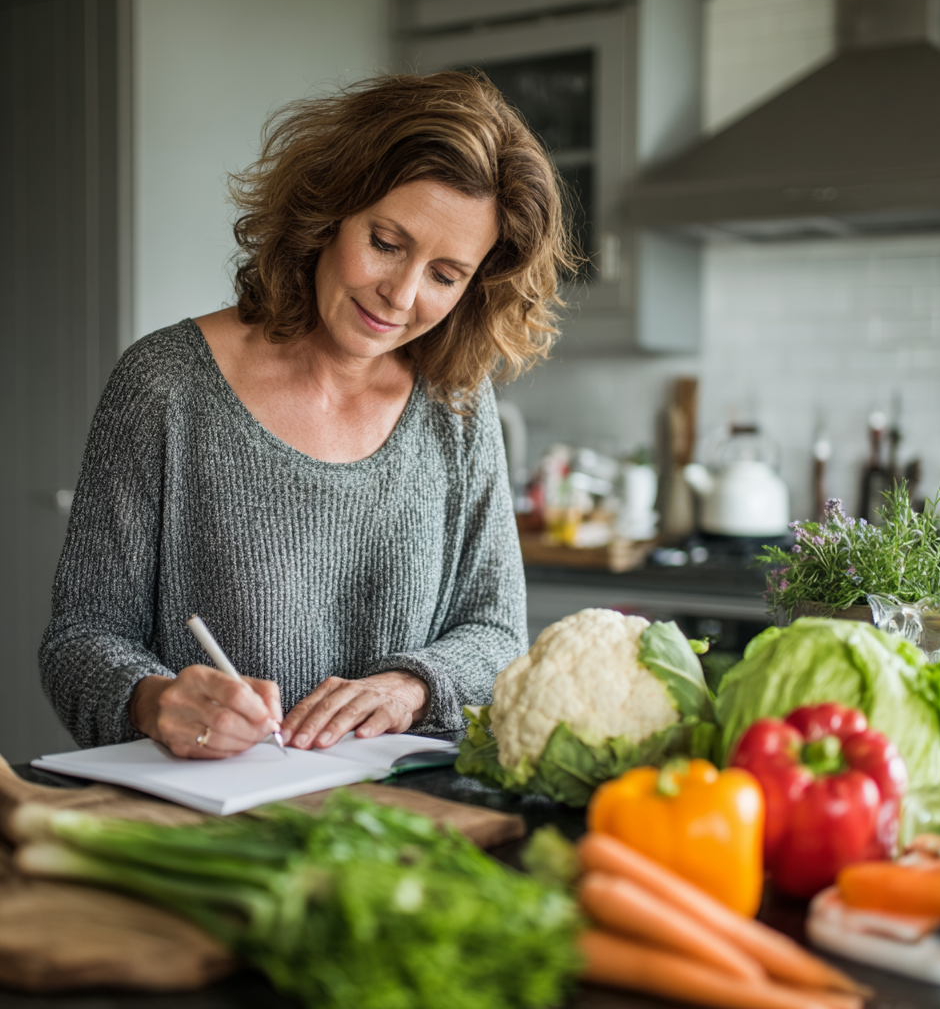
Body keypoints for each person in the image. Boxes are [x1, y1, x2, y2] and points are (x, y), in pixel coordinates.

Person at [40, 72, 573, 759]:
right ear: (328, 211)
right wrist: (155, 700)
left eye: (445, 275)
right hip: (214, 818)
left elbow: (497, 635)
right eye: (386, 242)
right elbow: (79, 641)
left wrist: (409, 687)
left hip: (404, 818)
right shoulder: (166, 386)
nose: (401, 295)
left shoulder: (457, 404)